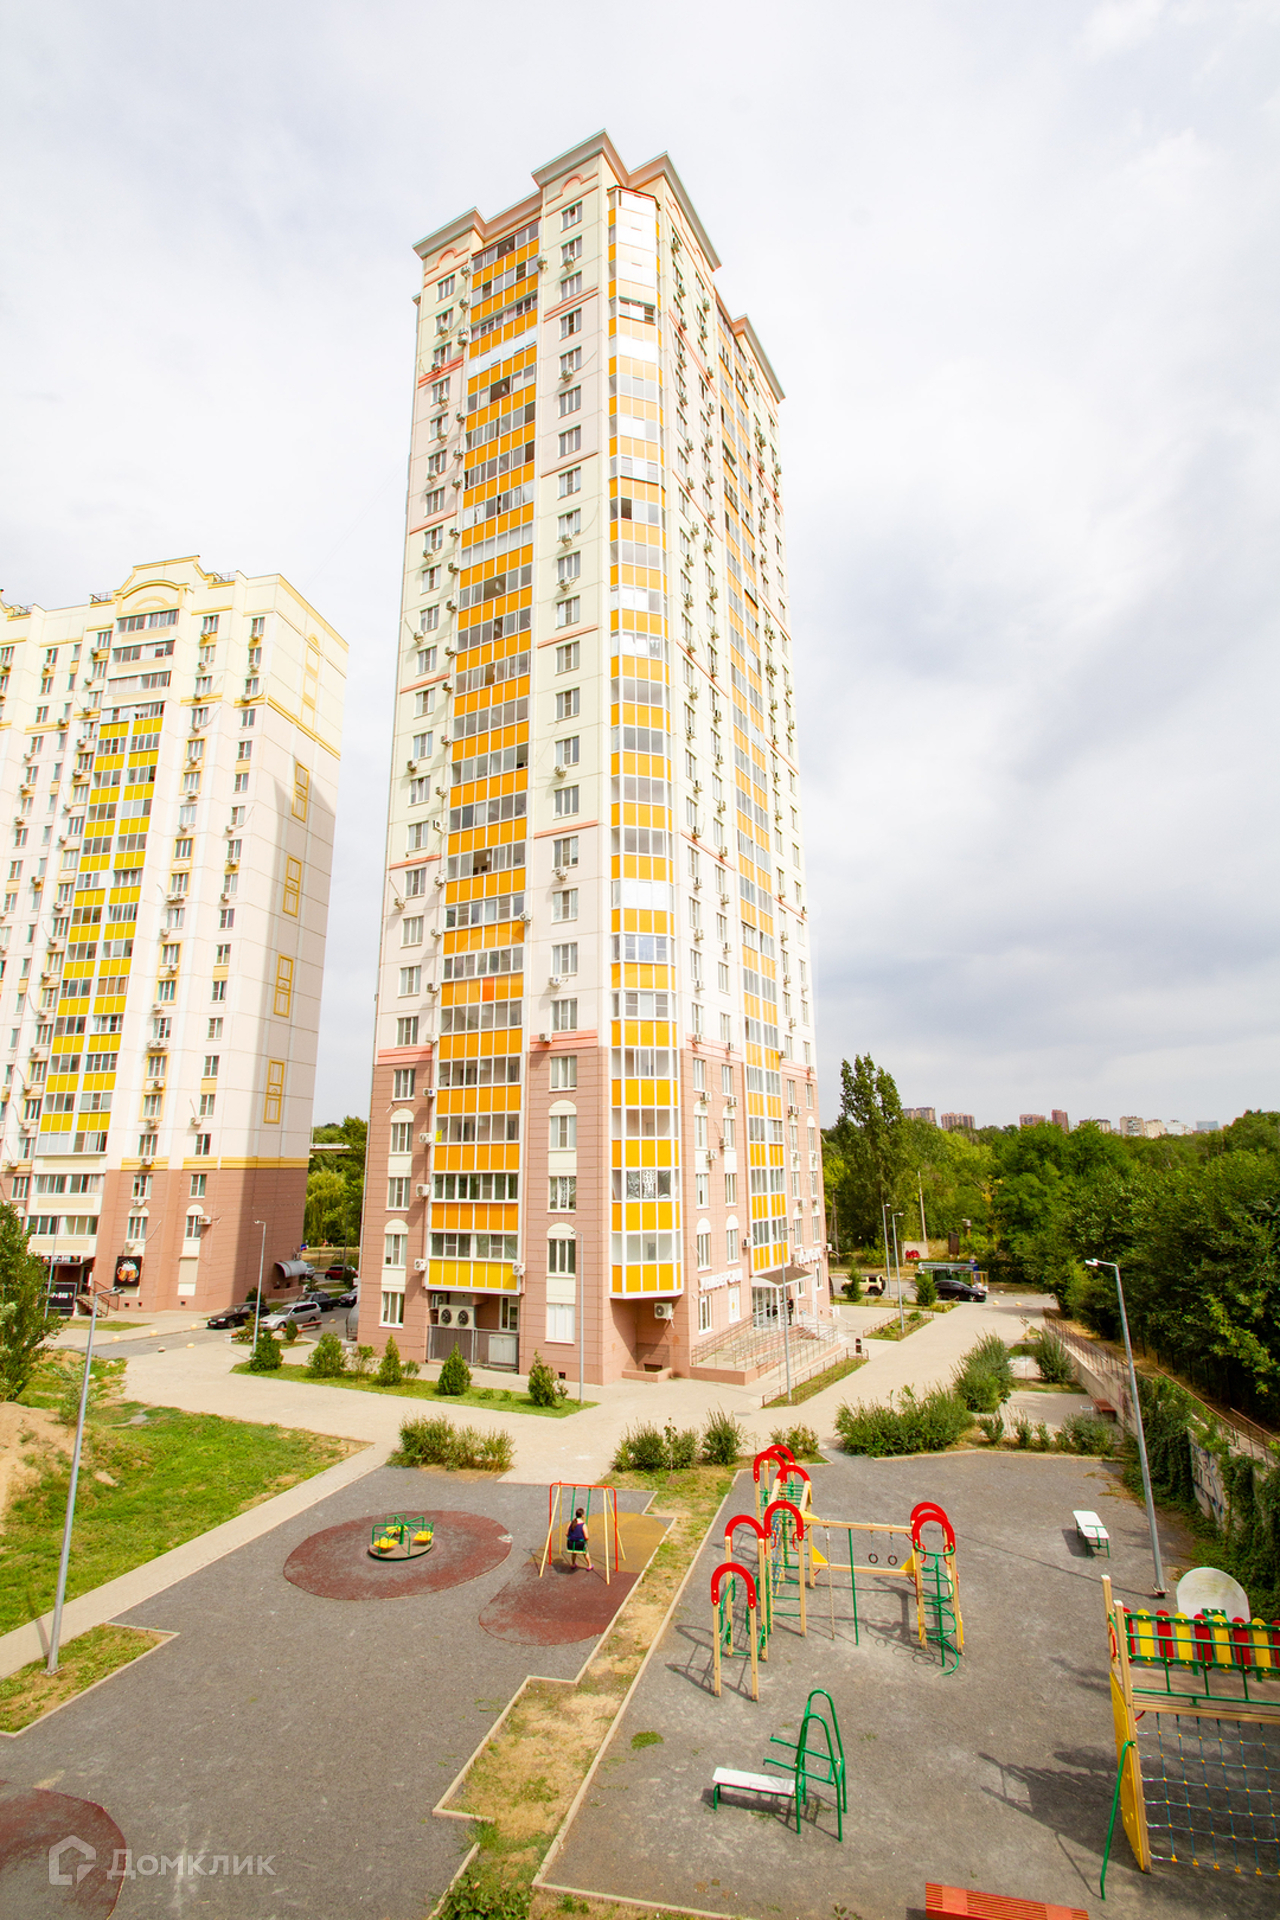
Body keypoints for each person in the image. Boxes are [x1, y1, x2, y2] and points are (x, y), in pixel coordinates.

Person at [565, 1507, 593, 1572]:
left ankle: (573, 1564)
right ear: (582, 1515)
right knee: (585, 1552)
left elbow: (566, 1533)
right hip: (580, 1544)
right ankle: (589, 1565)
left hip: (571, 1544)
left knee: (574, 1552)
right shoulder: (583, 1525)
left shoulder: (571, 1523)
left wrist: (572, 1536)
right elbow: (587, 1537)